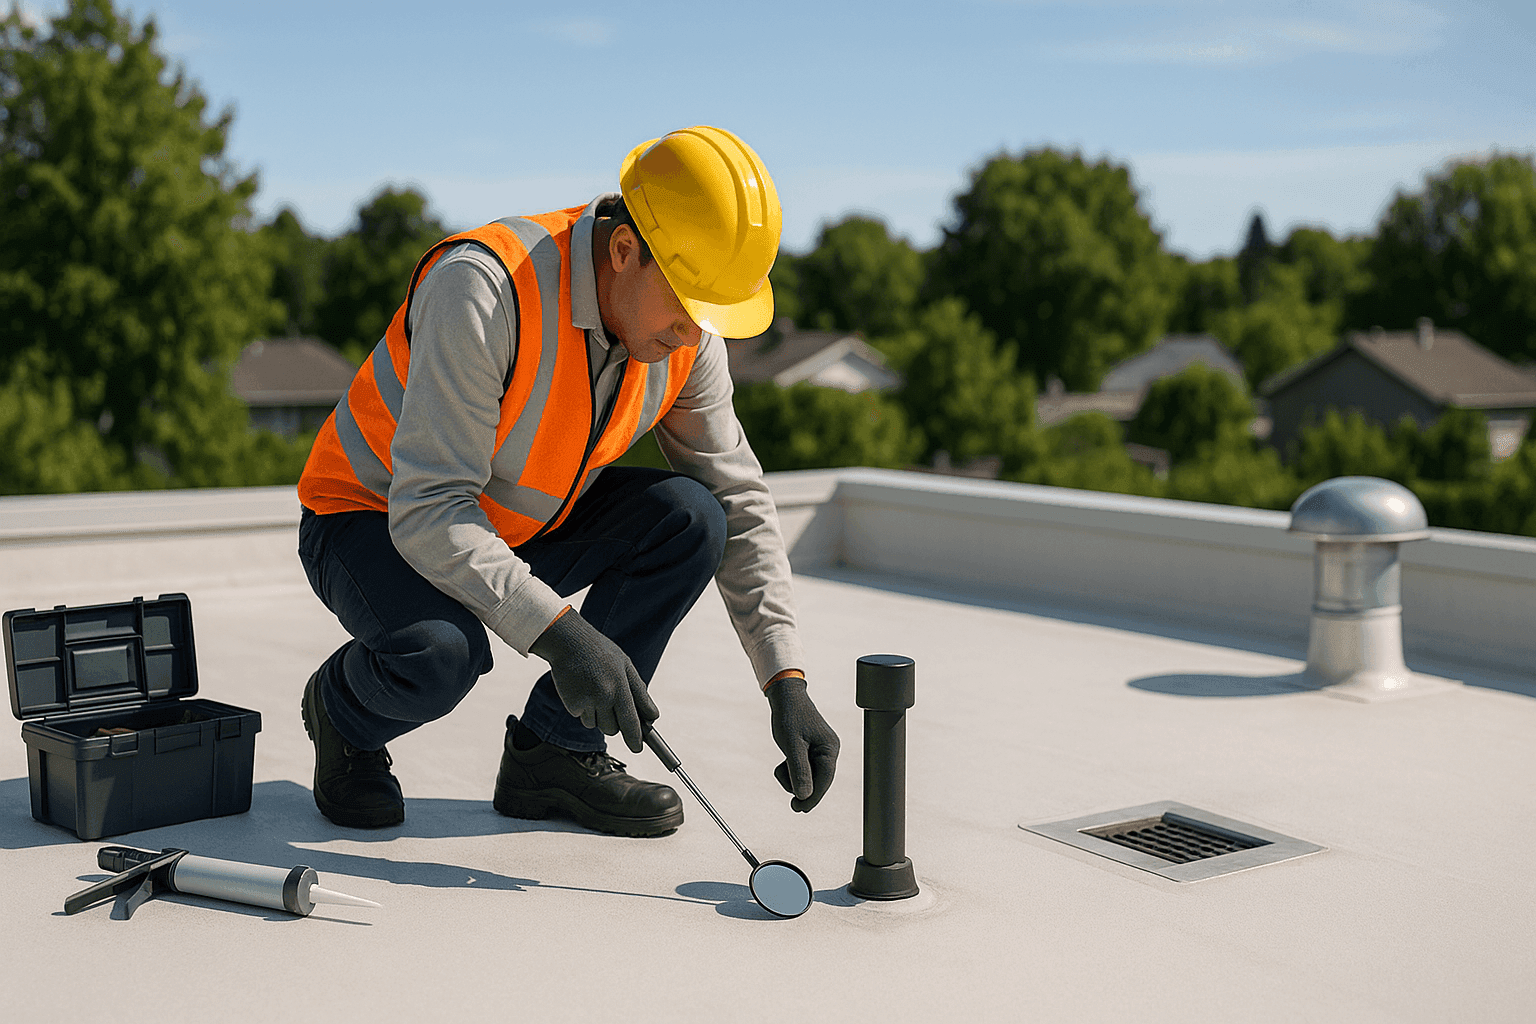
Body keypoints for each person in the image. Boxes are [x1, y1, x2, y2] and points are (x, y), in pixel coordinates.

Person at [294, 125, 840, 837]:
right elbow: (430, 508)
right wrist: (563, 635)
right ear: (623, 252)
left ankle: (555, 754)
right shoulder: (485, 289)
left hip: (517, 524)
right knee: (442, 653)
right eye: (689, 307)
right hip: (371, 518)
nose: (696, 334)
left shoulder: (686, 336)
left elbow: (738, 499)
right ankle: (342, 714)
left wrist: (784, 679)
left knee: (693, 516)